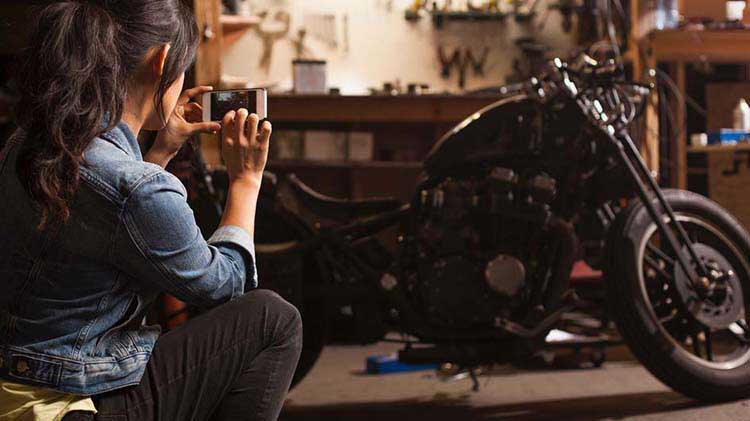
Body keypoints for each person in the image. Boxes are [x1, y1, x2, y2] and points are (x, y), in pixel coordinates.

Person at [0, 1, 302, 420]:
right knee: (273, 319)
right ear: (161, 61)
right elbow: (223, 286)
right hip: (67, 403)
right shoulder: (137, 189)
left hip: (17, 387)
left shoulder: (28, 143)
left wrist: (160, 151)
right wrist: (245, 181)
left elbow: (113, 211)